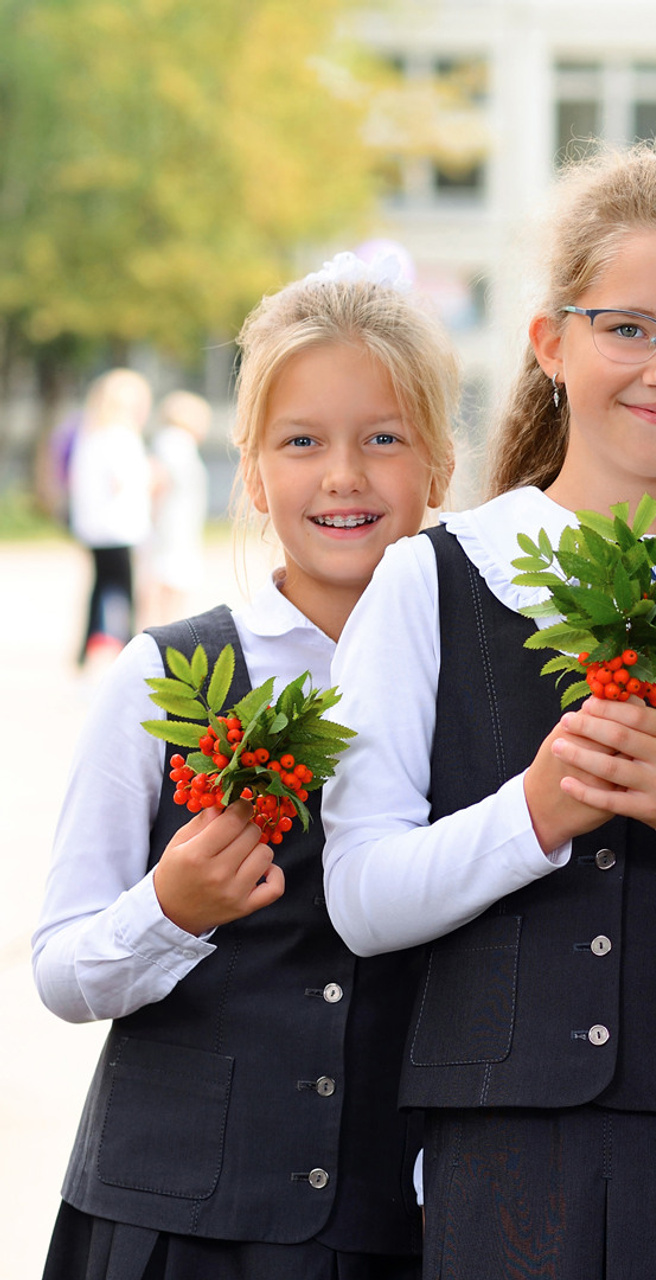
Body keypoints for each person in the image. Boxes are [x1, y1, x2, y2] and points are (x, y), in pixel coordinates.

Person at [321, 144, 656, 1280]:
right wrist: (534, 811)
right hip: (505, 1164)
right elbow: (362, 900)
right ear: (549, 342)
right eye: (628, 326)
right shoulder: (432, 577)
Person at [32, 251, 459, 1280]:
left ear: (440, 464)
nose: (343, 474)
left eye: (383, 439)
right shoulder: (164, 672)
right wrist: (169, 905)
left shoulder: (482, 680)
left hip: (386, 1223)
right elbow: (61, 966)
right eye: (301, 440)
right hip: (172, 1223)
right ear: (254, 470)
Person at [67, 367, 155, 666]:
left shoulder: (90, 435)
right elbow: (121, 481)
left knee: (99, 587)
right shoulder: (120, 436)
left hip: (93, 527)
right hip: (119, 528)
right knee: (124, 590)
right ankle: (131, 648)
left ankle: (84, 649)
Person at [144, 389, 213, 626]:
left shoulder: (174, 441)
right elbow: (156, 479)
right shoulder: (174, 442)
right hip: (172, 521)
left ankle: (168, 625)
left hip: (179, 519)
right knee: (170, 576)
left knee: (171, 575)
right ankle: (167, 628)